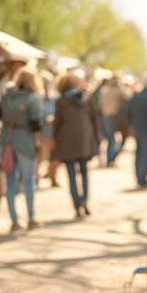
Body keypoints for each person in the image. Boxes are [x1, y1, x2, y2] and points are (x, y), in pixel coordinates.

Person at [0, 67, 43, 232]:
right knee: (28, 180)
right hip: (25, 140)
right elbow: (36, 123)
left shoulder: (7, 96)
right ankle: (31, 217)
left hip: (7, 140)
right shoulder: (33, 98)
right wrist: (37, 143)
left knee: (10, 181)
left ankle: (14, 220)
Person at [52, 73, 101, 218]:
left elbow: (57, 123)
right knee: (85, 172)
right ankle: (84, 200)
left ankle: (76, 205)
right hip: (85, 138)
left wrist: (54, 139)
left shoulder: (61, 101)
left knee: (71, 173)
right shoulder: (87, 98)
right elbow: (95, 120)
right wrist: (97, 140)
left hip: (66, 139)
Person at [125, 73, 147, 188]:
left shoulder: (136, 97)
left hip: (137, 129)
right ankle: (142, 179)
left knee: (139, 153)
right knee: (145, 154)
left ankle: (139, 177)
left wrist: (132, 125)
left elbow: (127, 113)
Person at [37, 70, 60, 187]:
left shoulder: (55, 97)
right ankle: (37, 178)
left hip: (53, 132)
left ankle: (52, 177)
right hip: (41, 132)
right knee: (41, 157)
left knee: (55, 157)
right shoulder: (37, 97)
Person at [99, 75, 127, 167]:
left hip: (106, 116)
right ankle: (111, 159)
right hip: (114, 116)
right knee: (113, 139)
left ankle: (110, 159)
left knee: (110, 139)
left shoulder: (104, 90)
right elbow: (128, 98)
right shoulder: (118, 91)